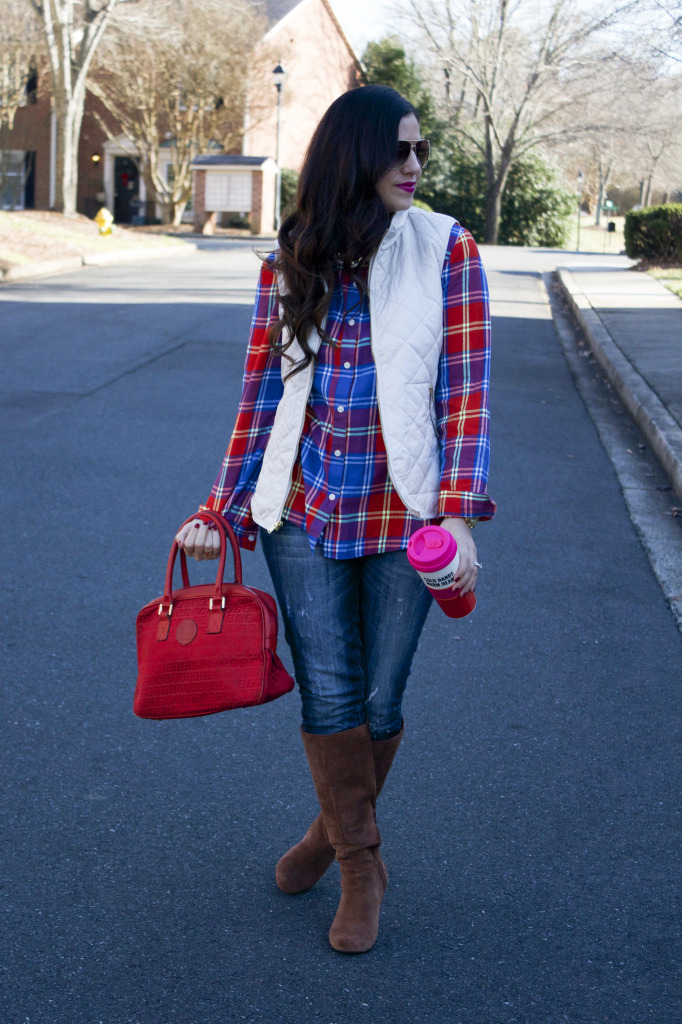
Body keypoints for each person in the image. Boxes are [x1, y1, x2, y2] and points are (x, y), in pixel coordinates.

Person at [175, 85, 496, 954]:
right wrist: (219, 508)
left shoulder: (447, 250)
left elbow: (465, 393)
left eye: (421, 150)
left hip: (409, 518)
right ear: (354, 155)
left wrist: (461, 515)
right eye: (399, 151)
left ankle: (329, 834)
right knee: (331, 691)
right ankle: (363, 867)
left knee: (383, 696)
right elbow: (258, 395)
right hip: (303, 511)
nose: (416, 166)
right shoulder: (291, 261)